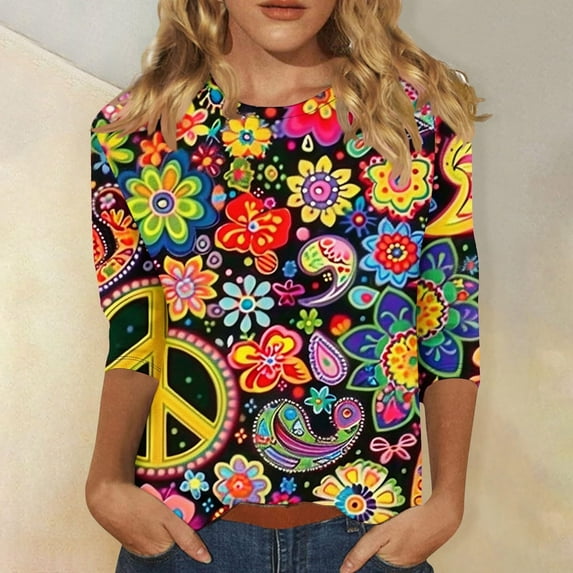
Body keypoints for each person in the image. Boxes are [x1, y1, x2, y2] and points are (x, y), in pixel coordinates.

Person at [86, 1, 488, 571]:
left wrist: (447, 502)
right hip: (185, 535)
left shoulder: (411, 118)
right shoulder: (139, 129)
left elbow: (449, 318)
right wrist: (104, 482)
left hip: (368, 535)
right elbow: (135, 327)